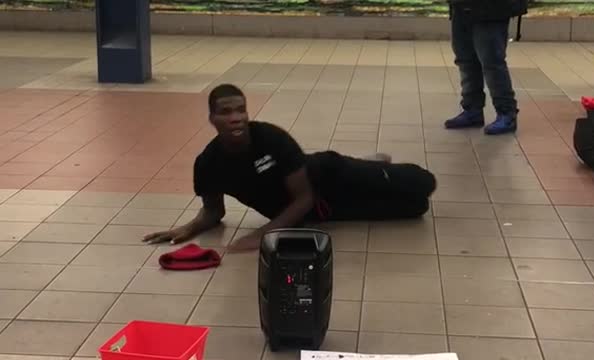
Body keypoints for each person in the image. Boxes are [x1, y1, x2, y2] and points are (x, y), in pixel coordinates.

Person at [143, 84, 437, 252]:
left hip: (332, 175)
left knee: (423, 183)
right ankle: (373, 165)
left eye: (240, 109)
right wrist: (189, 227)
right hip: (318, 214)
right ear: (212, 119)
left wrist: (262, 235)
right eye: (226, 112)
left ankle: (371, 165)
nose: (236, 118)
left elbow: (303, 197)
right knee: (415, 208)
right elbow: (214, 211)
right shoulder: (208, 163)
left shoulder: (271, 138)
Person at [444, 0, 528, 135]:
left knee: (491, 61)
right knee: (465, 58)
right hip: (461, 6)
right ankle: (472, 109)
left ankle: (507, 113)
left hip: (492, 9)